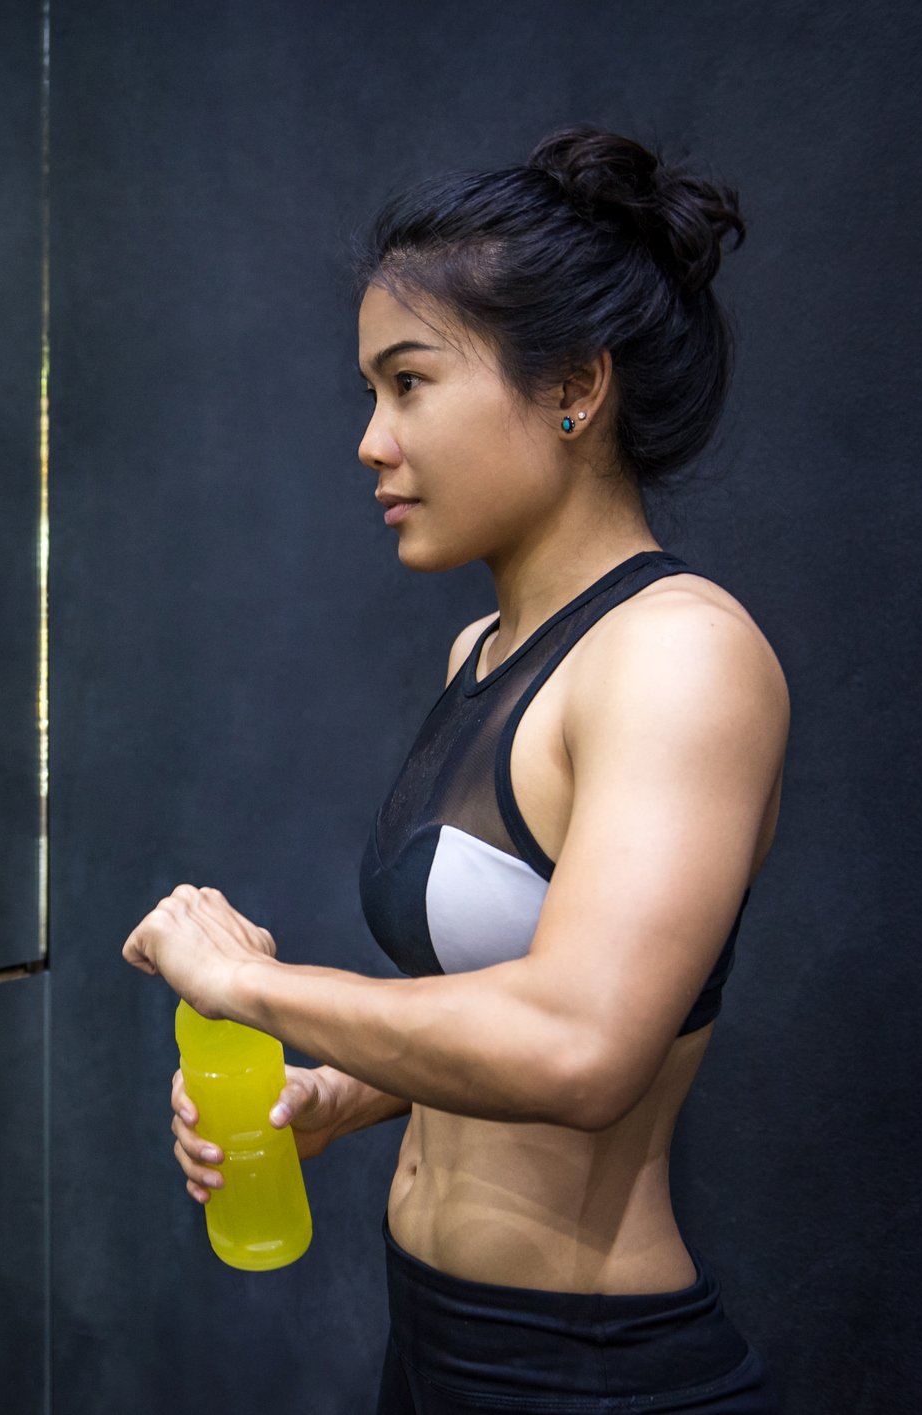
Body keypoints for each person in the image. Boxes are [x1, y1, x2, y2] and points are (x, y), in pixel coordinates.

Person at [124, 129, 786, 1412]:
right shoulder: (480, 651)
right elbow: (501, 984)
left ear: (573, 387)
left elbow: (585, 1041)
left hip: (585, 1371)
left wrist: (263, 990)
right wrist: (335, 1095)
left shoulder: (679, 654)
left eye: (409, 383)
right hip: (433, 1345)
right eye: (370, 393)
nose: (371, 440)